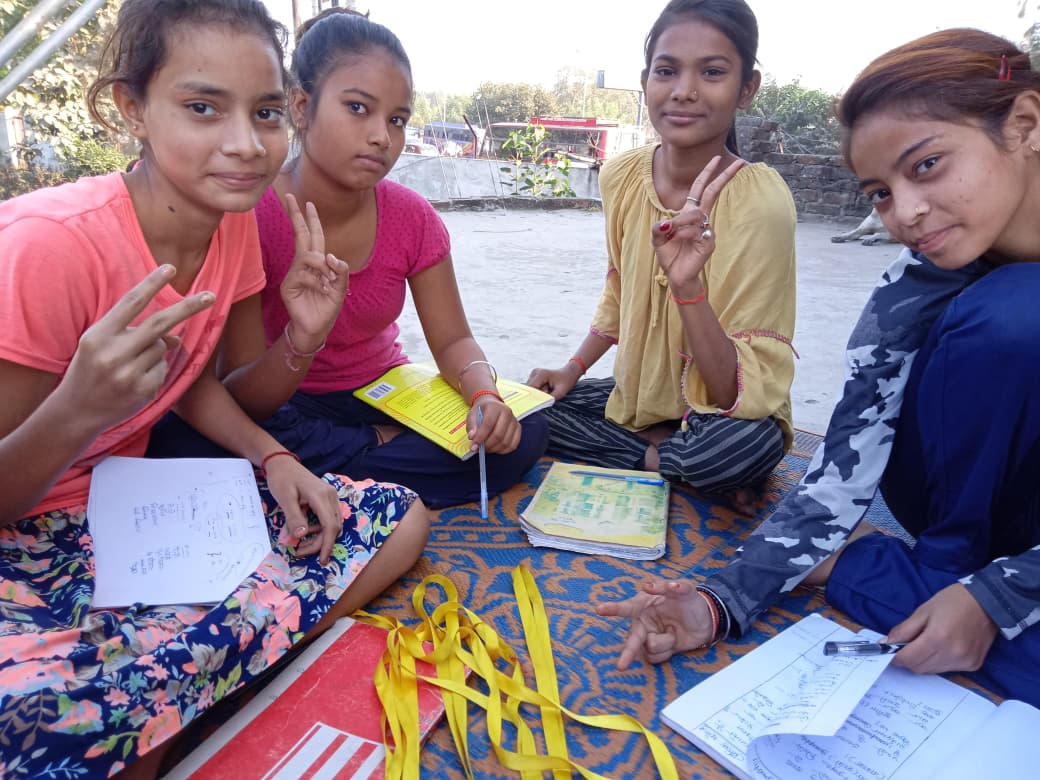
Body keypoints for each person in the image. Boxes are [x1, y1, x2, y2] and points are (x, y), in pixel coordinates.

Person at [0, 1, 429, 776]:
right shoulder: (47, 248)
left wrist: (275, 446)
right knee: (80, 735)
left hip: (131, 509)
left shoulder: (229, 220)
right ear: (130, 108)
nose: (245, 144)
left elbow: (194, 382)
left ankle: (174, 685)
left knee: (398, 522)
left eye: (264, 112)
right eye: (203, 108)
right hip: (27, 535)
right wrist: (77, 409)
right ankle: (182, 685)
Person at [597, 28, 1040, 707]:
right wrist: (716, 602)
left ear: (1025, 124)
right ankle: (939, 577)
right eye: (880, 193)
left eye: (925, 166)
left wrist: (997, 596)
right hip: (962, 510)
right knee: (1007, 317)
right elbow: (840, 470)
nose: (906, 214)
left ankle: (881, 573)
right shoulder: (914, 285)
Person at [148, 8, 549, 509]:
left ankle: (331, 473)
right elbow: (242, 393)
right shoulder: (247, 214)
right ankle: (360, 469)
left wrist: (485, 396)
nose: (383, 136)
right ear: (300, 106)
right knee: (175, 434)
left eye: (397, 119)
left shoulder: (412, 217)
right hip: (280, 404)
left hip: (382, 397)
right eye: (358, 108)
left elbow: (452, 339)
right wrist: (302, 339)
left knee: (523, 430)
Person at [526, 0, 796, 506]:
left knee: (744, 447)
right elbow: (619, 289)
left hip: (720, 410)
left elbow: (729, 392)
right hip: (638, 394)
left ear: (747, 88)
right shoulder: (622, 176)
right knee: (528, 406)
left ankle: (659, 454)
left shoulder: (761, 201)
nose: (684, 91)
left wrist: (688, 289)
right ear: (646, 79)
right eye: (666, 71)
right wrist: (572, 369)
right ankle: (660, 458)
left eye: (712, 72)